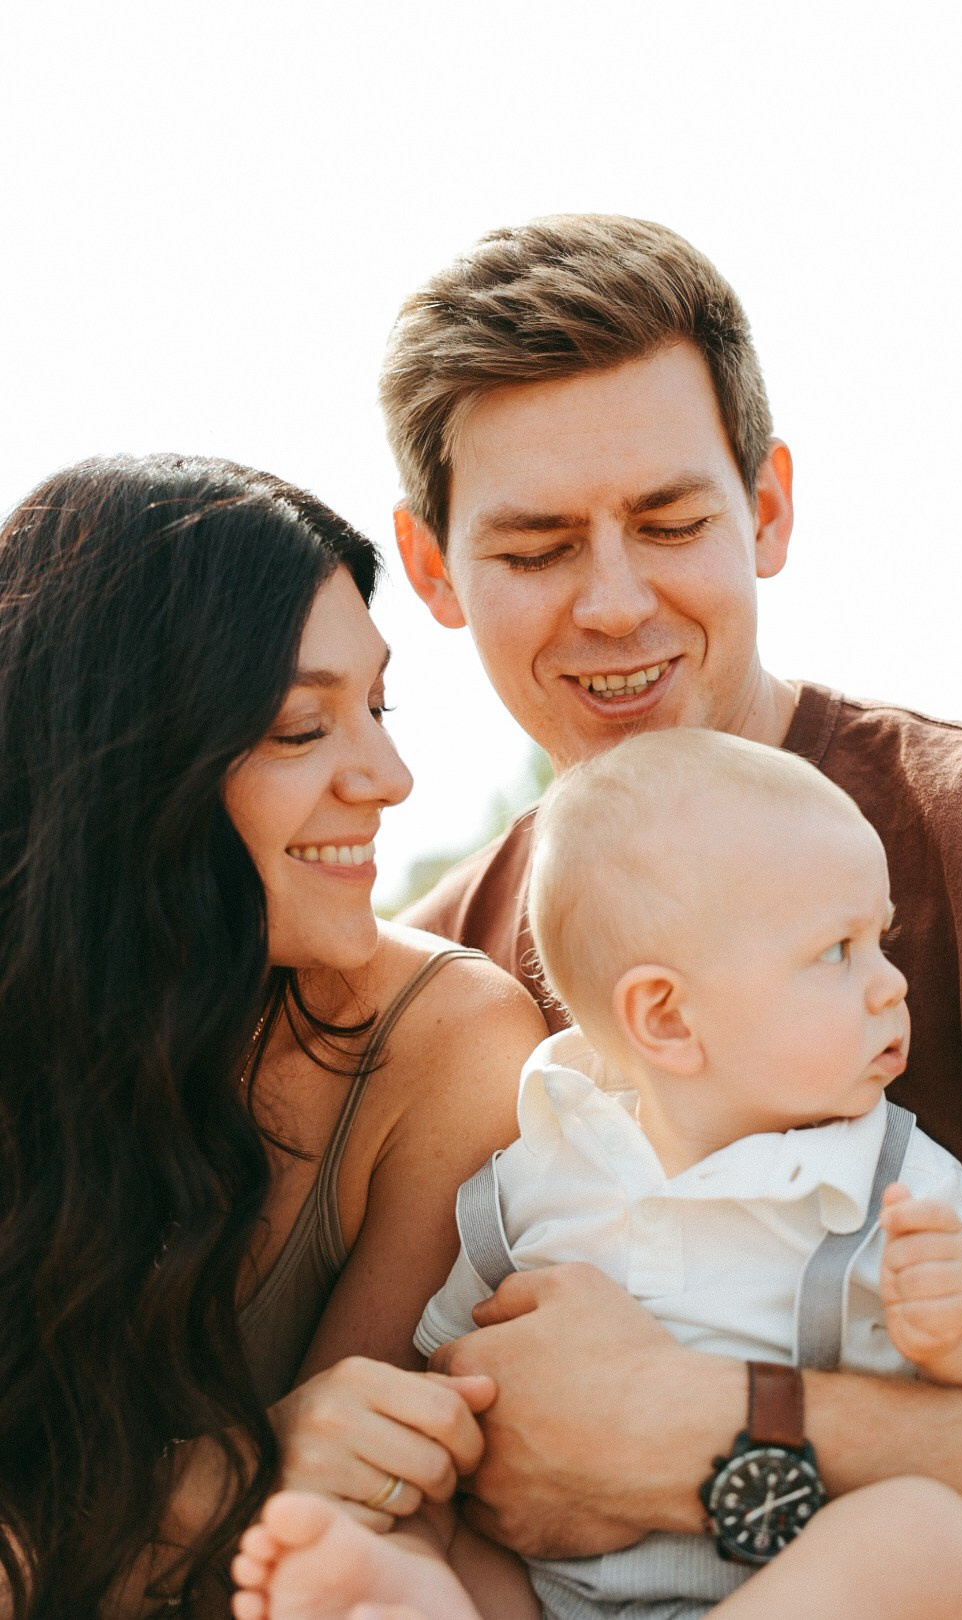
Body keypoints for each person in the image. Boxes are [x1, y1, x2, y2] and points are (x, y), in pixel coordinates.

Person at [379, 214, 962, 1615]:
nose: (617, 602)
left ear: (766, 507)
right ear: (435, 569)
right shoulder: (439, 989)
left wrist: (708, 1427)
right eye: (535, 547)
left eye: (671, 521)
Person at [228, 729, 962, 1619]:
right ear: (664, 1018)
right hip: (550, 1590)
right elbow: (446, 1374)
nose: (892, 986)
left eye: (881, 943)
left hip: (782, 1591)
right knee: (419, 1504)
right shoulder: (542, 1166)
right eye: (837, 952)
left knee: (931, 1539)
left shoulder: (895, 1182)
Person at [0, 455, 547, 1619]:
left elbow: (345, 1548)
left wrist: (269, 1493)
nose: (389, 777)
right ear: (132, 765)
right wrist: (221, 1480)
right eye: (304, 727)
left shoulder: (443, 1044)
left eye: (378, 707)